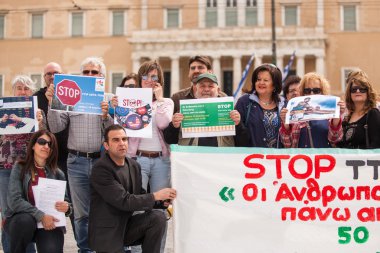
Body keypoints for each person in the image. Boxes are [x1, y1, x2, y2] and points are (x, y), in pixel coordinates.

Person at [46, 56, 113, 252]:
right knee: (82, 214)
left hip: (102, 162)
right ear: (81, 75)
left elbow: (116, 133)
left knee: (103, 210)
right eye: (86, 72)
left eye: (95, 72)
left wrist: (106, 116)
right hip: (76, 162)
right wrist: (52, 103)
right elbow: (57, 127)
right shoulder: (70, 97)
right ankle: (85, 250)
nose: (90, 75)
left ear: (102, 76)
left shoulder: (108, 99)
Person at [89, 124, 176, 253]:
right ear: (106, 146)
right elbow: (124, 201)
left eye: (124, 139)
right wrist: (156, 195)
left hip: (126, 227)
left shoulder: (134, 165)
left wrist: (161, 202)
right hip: (107, 233)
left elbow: (139, 194)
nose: (122, 143)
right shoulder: (101, 169)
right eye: (116, 140)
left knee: (157, 218)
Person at [120, 61, 173, 253]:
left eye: (154, 77)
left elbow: (163, 123)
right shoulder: (131, 101)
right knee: (138, 207)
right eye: (145, 77)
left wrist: (158, 101)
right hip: (137, 160)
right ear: (140, 79)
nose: (149, 81)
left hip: (161, 160)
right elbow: (124, 129)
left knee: (160, 209)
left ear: (160, 80)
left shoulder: (167, 102)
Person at [4, 130, 72, 253]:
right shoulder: (20, 167)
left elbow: (66, 202)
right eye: (42, 142)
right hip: (22, 220)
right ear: (33, 146)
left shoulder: (58, 173)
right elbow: (14, 201)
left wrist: (66, 207)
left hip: (49, 223)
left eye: (50, 145)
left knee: (52, 249)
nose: (46, 146)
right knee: (25, 221)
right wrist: (40, 215)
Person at [0, 75, 45, 253]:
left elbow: (45, 140)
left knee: (28, 212)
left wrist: (40, 122)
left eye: (26, 88)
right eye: (19, 87)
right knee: (8, 214)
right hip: (4, 168)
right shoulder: (2, 109)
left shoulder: (36, 111)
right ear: (13, 91)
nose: (23, 91)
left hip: (28, 169)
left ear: (31, 92)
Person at [164, 73, 241, 147]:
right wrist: (174, 126)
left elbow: (243, 140)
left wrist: (238, 124)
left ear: (218, 90)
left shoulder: (229, 110)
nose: (206, 89)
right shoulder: (186, 110)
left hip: (220, 158)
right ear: (196, 90)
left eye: (211, 86)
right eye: (202, 86)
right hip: (192, 158)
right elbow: (169, 139)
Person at [279, 72, 345, 148]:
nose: (311, 93)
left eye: (316, 90)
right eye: (307, 91)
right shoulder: (295, 113)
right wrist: (285, 122)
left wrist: (336, 115)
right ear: (302, 93)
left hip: (324, 158)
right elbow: (287, 144)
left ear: (323, 92)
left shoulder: (329, 113)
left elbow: (335, 139)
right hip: (302, 159)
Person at [235, 63, 285, 148]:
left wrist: (286, 125)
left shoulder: (284, 104)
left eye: (266, 80)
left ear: (274, 85)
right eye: (258, 79)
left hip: (278, 159)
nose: (261, 83)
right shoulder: (244, 102)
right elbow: (238, 137)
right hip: (252, 158)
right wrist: (238, 123)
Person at [337, 69, 380, 148]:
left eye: (362, 89)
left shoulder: (373, 113)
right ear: (349, 93)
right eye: (354, 89)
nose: (357, 91)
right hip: (347, 159)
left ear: (368, 92)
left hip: (366, 160)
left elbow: (376, 144)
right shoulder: (347, 118)